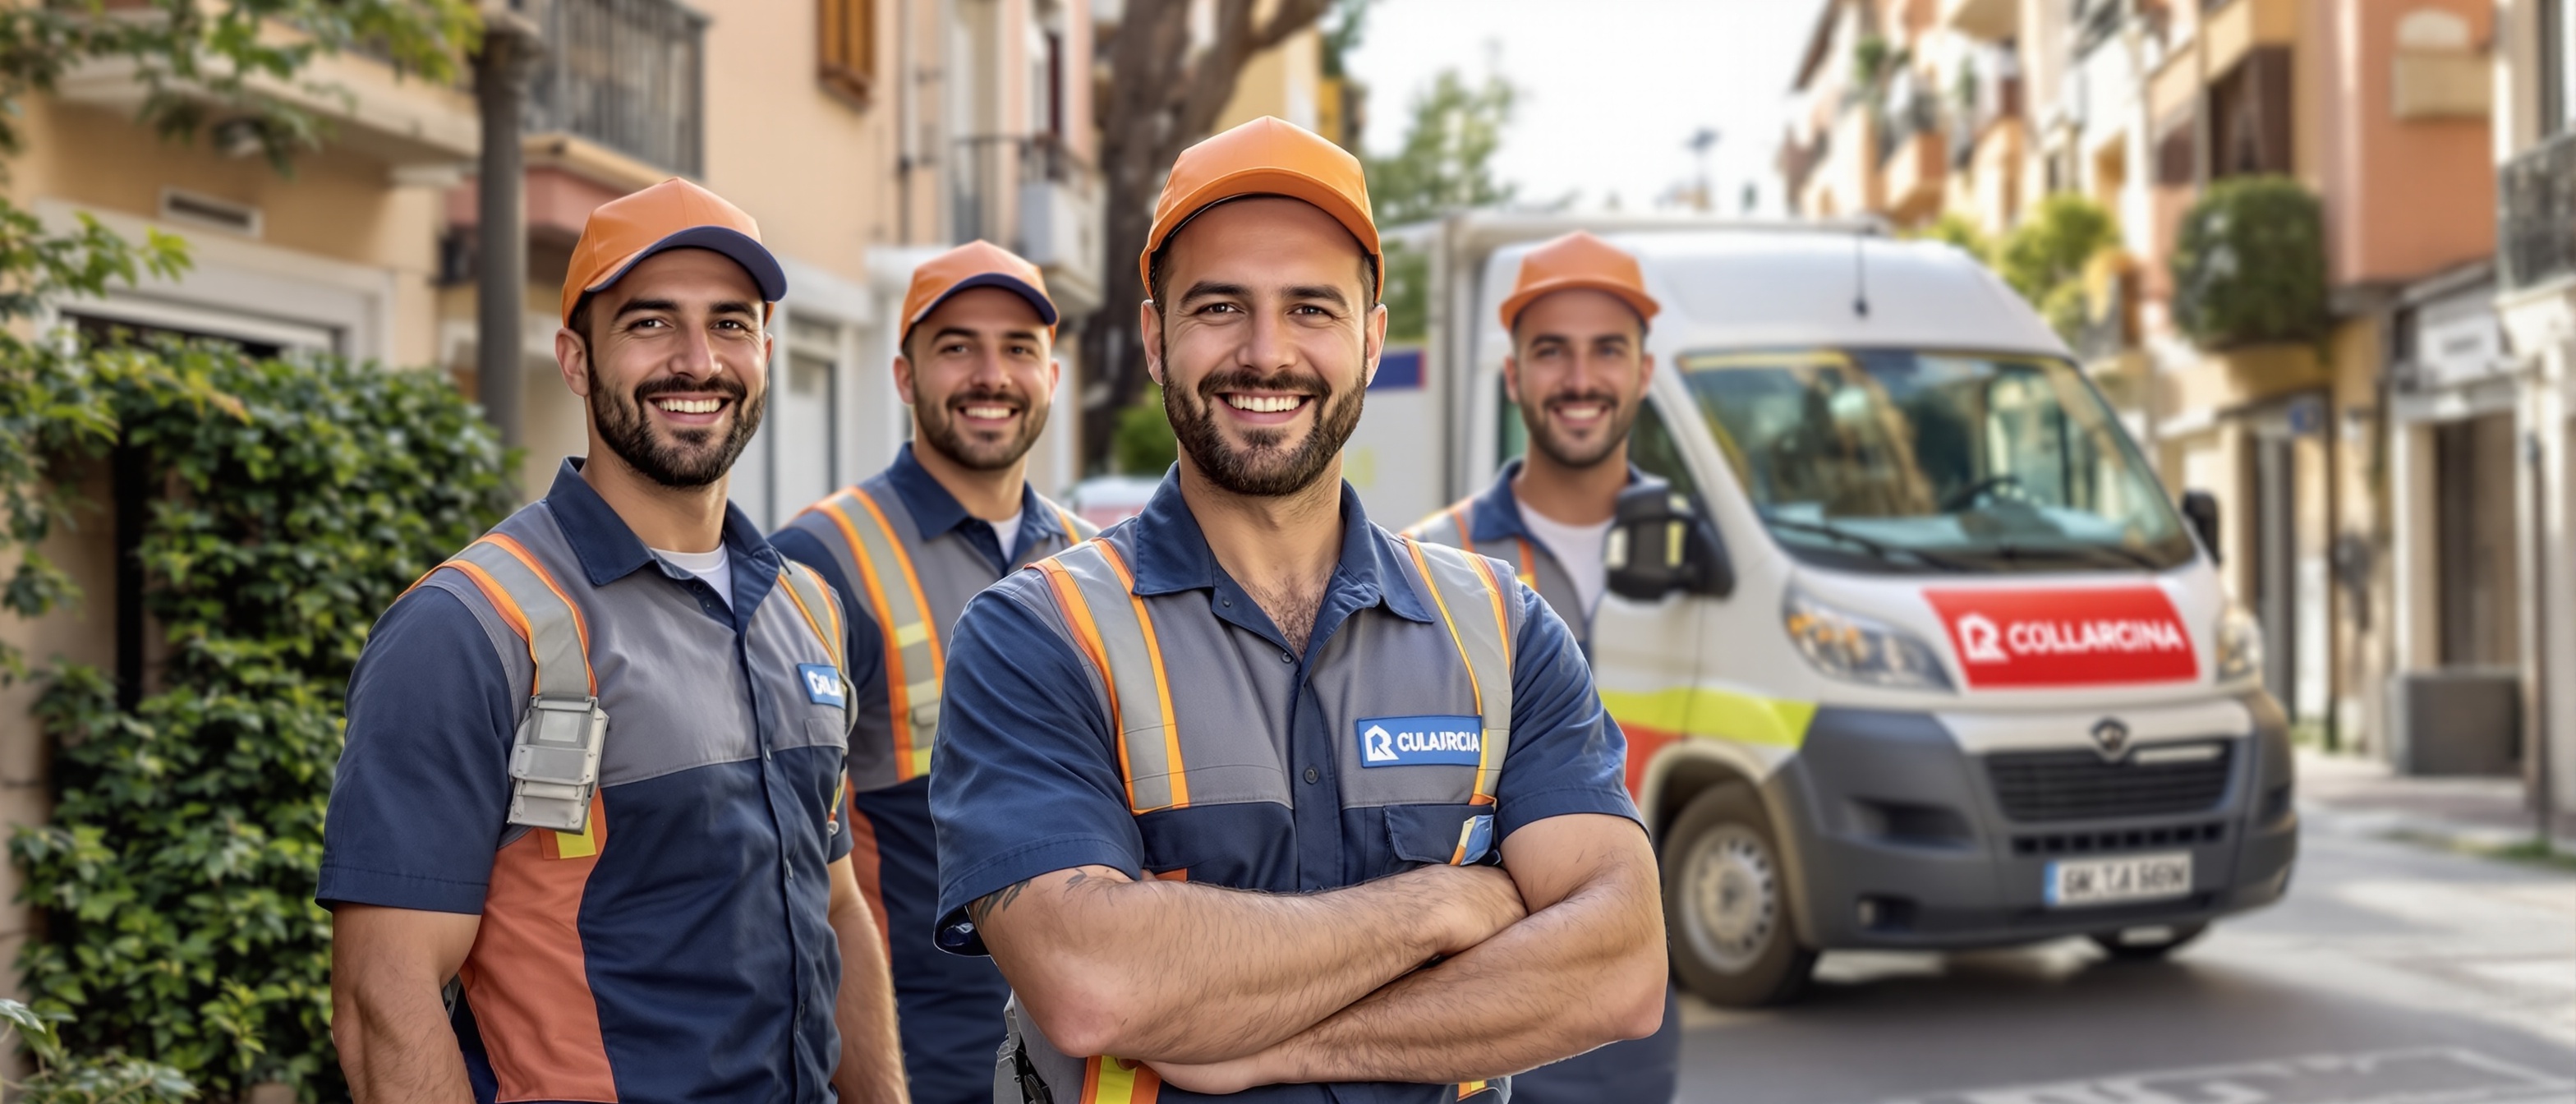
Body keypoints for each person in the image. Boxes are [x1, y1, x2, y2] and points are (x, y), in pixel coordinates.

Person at [925, 116, 1667, 1104]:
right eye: (1221, 306)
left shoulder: (1502, 627)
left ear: (1370, 339)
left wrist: (1282, 1048)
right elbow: (1091, 983)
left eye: (1311, 309)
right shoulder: (1038, 635)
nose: (1266, 354)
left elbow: (1621, 967)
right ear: (1155, 338)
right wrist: (1443, 907)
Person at [320, 178, 907, 1104]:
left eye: (730, 323)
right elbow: (380, 997)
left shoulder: (809, 610)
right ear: (576, 359)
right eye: (648, 325)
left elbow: (837, 907)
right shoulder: (468, 627)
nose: (695, 359)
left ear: (763, 351)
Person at [770, 241, 1093, 1104]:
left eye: (1018, 348)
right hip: (915, 1063)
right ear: (905, 376)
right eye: (956, 346)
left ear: (1052, 377)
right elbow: (784, 862)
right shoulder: (818, 562)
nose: (991, 374)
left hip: (1088, 1057)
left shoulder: (1095, 569)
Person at [1405, 230, 1684, 1103]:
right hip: (1479, 1005)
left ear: (1643, 373)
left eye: (1607, 350)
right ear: (1513, 375)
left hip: (1638, 1005)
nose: (1578, 379)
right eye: (1550, 351)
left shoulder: (1712, 557)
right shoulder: (1428, 563)